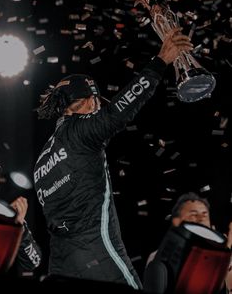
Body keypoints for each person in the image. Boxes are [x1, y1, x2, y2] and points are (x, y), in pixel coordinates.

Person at [33, 27, 193, 289]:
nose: (99, 107)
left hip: (61, 264)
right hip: (98, 255)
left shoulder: (40, 160)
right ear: (89, 101)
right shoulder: (81, 130)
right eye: (97, 102)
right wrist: (160, 61)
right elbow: (120, 111)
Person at [143, 192, 232, 294]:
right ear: (177, 221)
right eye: (193, 215)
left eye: (204, 215)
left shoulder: (219, 256)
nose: (200, 219)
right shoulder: (160, 258)